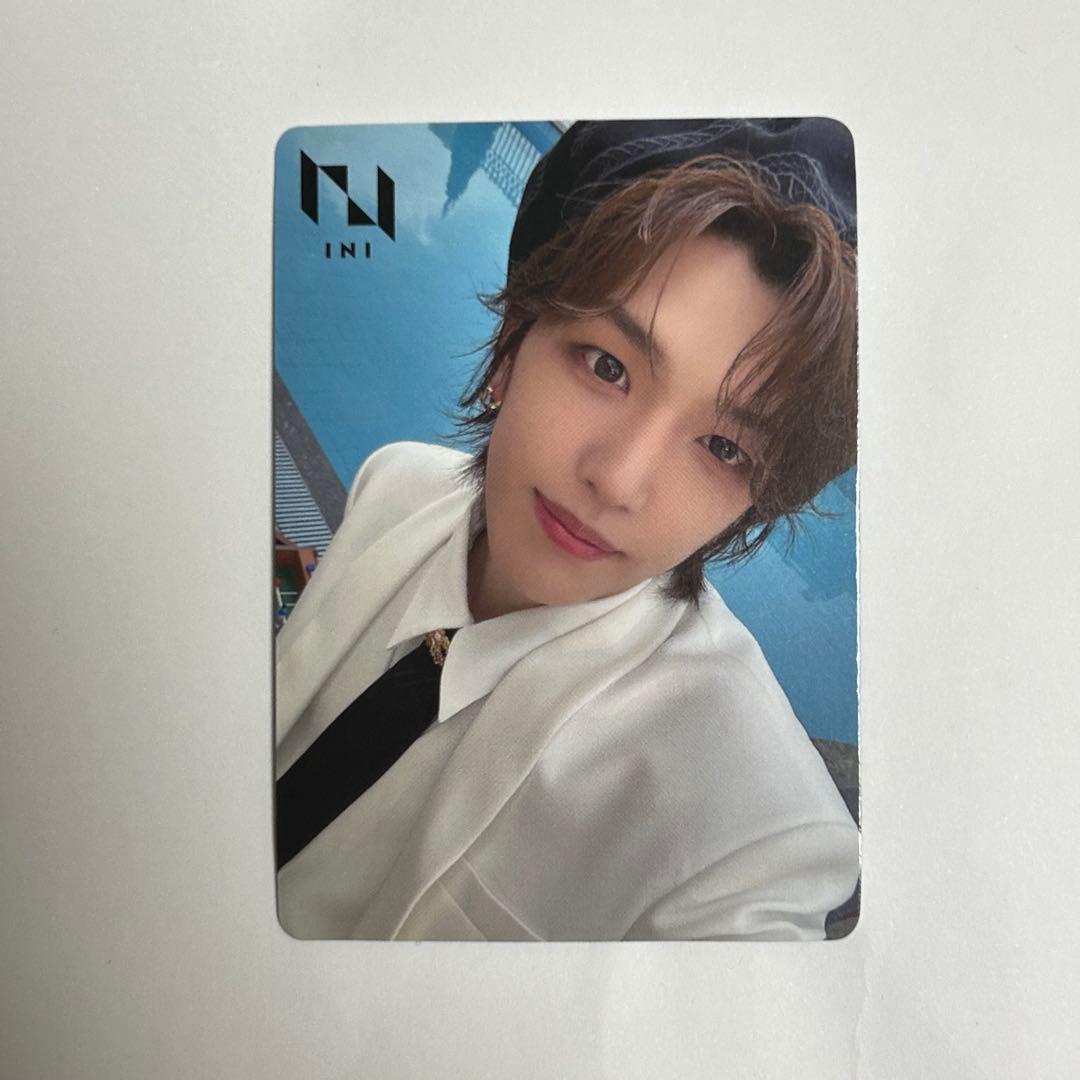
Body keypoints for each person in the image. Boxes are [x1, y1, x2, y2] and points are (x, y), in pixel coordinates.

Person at [274, 118, 860, 941]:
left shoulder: (747, 838)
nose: (617, 480)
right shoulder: (394, 486)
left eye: (724, 448)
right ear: (513, 340)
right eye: (606, 365)